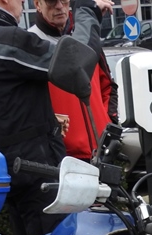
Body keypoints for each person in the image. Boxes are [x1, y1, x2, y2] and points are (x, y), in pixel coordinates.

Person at [0, 0, 112, 235]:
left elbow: (2, 105)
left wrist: (46, 117)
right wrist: (86, 10)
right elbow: (76, 64)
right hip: (38, 175)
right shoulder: (8, 40)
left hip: (4, 172)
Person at [28, 0, 117, 161]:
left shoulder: (86, 37)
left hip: (101, 149)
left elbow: (108, 85)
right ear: (38, 4)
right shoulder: (31, 44)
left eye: (64, 0)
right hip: (64, 155)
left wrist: (108, 122)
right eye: (51, 1)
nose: (59, 6)